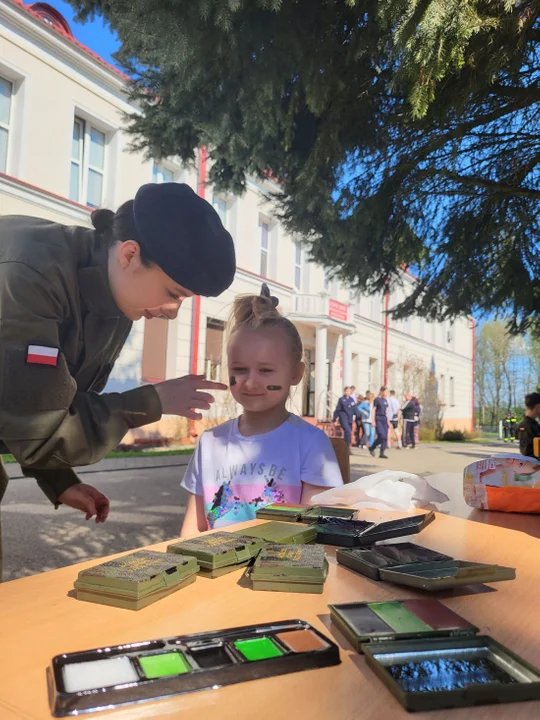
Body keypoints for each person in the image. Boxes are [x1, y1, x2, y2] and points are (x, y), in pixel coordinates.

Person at [0, 182, 236, 577]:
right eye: (173, 293)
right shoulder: (30, 275)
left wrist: (57, 479)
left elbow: (40, 403)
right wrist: (152, 401)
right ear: (130, 254)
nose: (173, 312)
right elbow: (44, 427)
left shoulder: (117, 301)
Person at [180, 286, 343, 533]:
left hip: (281, 571)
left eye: (265, 370)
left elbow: (316, 535)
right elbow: (191, 531)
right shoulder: (210, 443)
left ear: (296, 373)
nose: (250, 381)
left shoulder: (310, 444)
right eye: (240, 370)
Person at [515, 392, 540, 457]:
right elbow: (526, 451)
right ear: (538, 406)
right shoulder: (525, 425)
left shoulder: (534, 423)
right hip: (533, 464)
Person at [369, 386, 390, 459]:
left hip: (384, 419)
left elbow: (386, 411)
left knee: (385, 437)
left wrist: (388, 421)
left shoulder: (385, 400)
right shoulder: (377, 400)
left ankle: (382, 452)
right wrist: (373, 420)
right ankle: (372, 447)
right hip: (378, 418)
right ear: (382, 391)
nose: (387, 393)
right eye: (386, 392)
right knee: (381, 435)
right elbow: (373, 410)